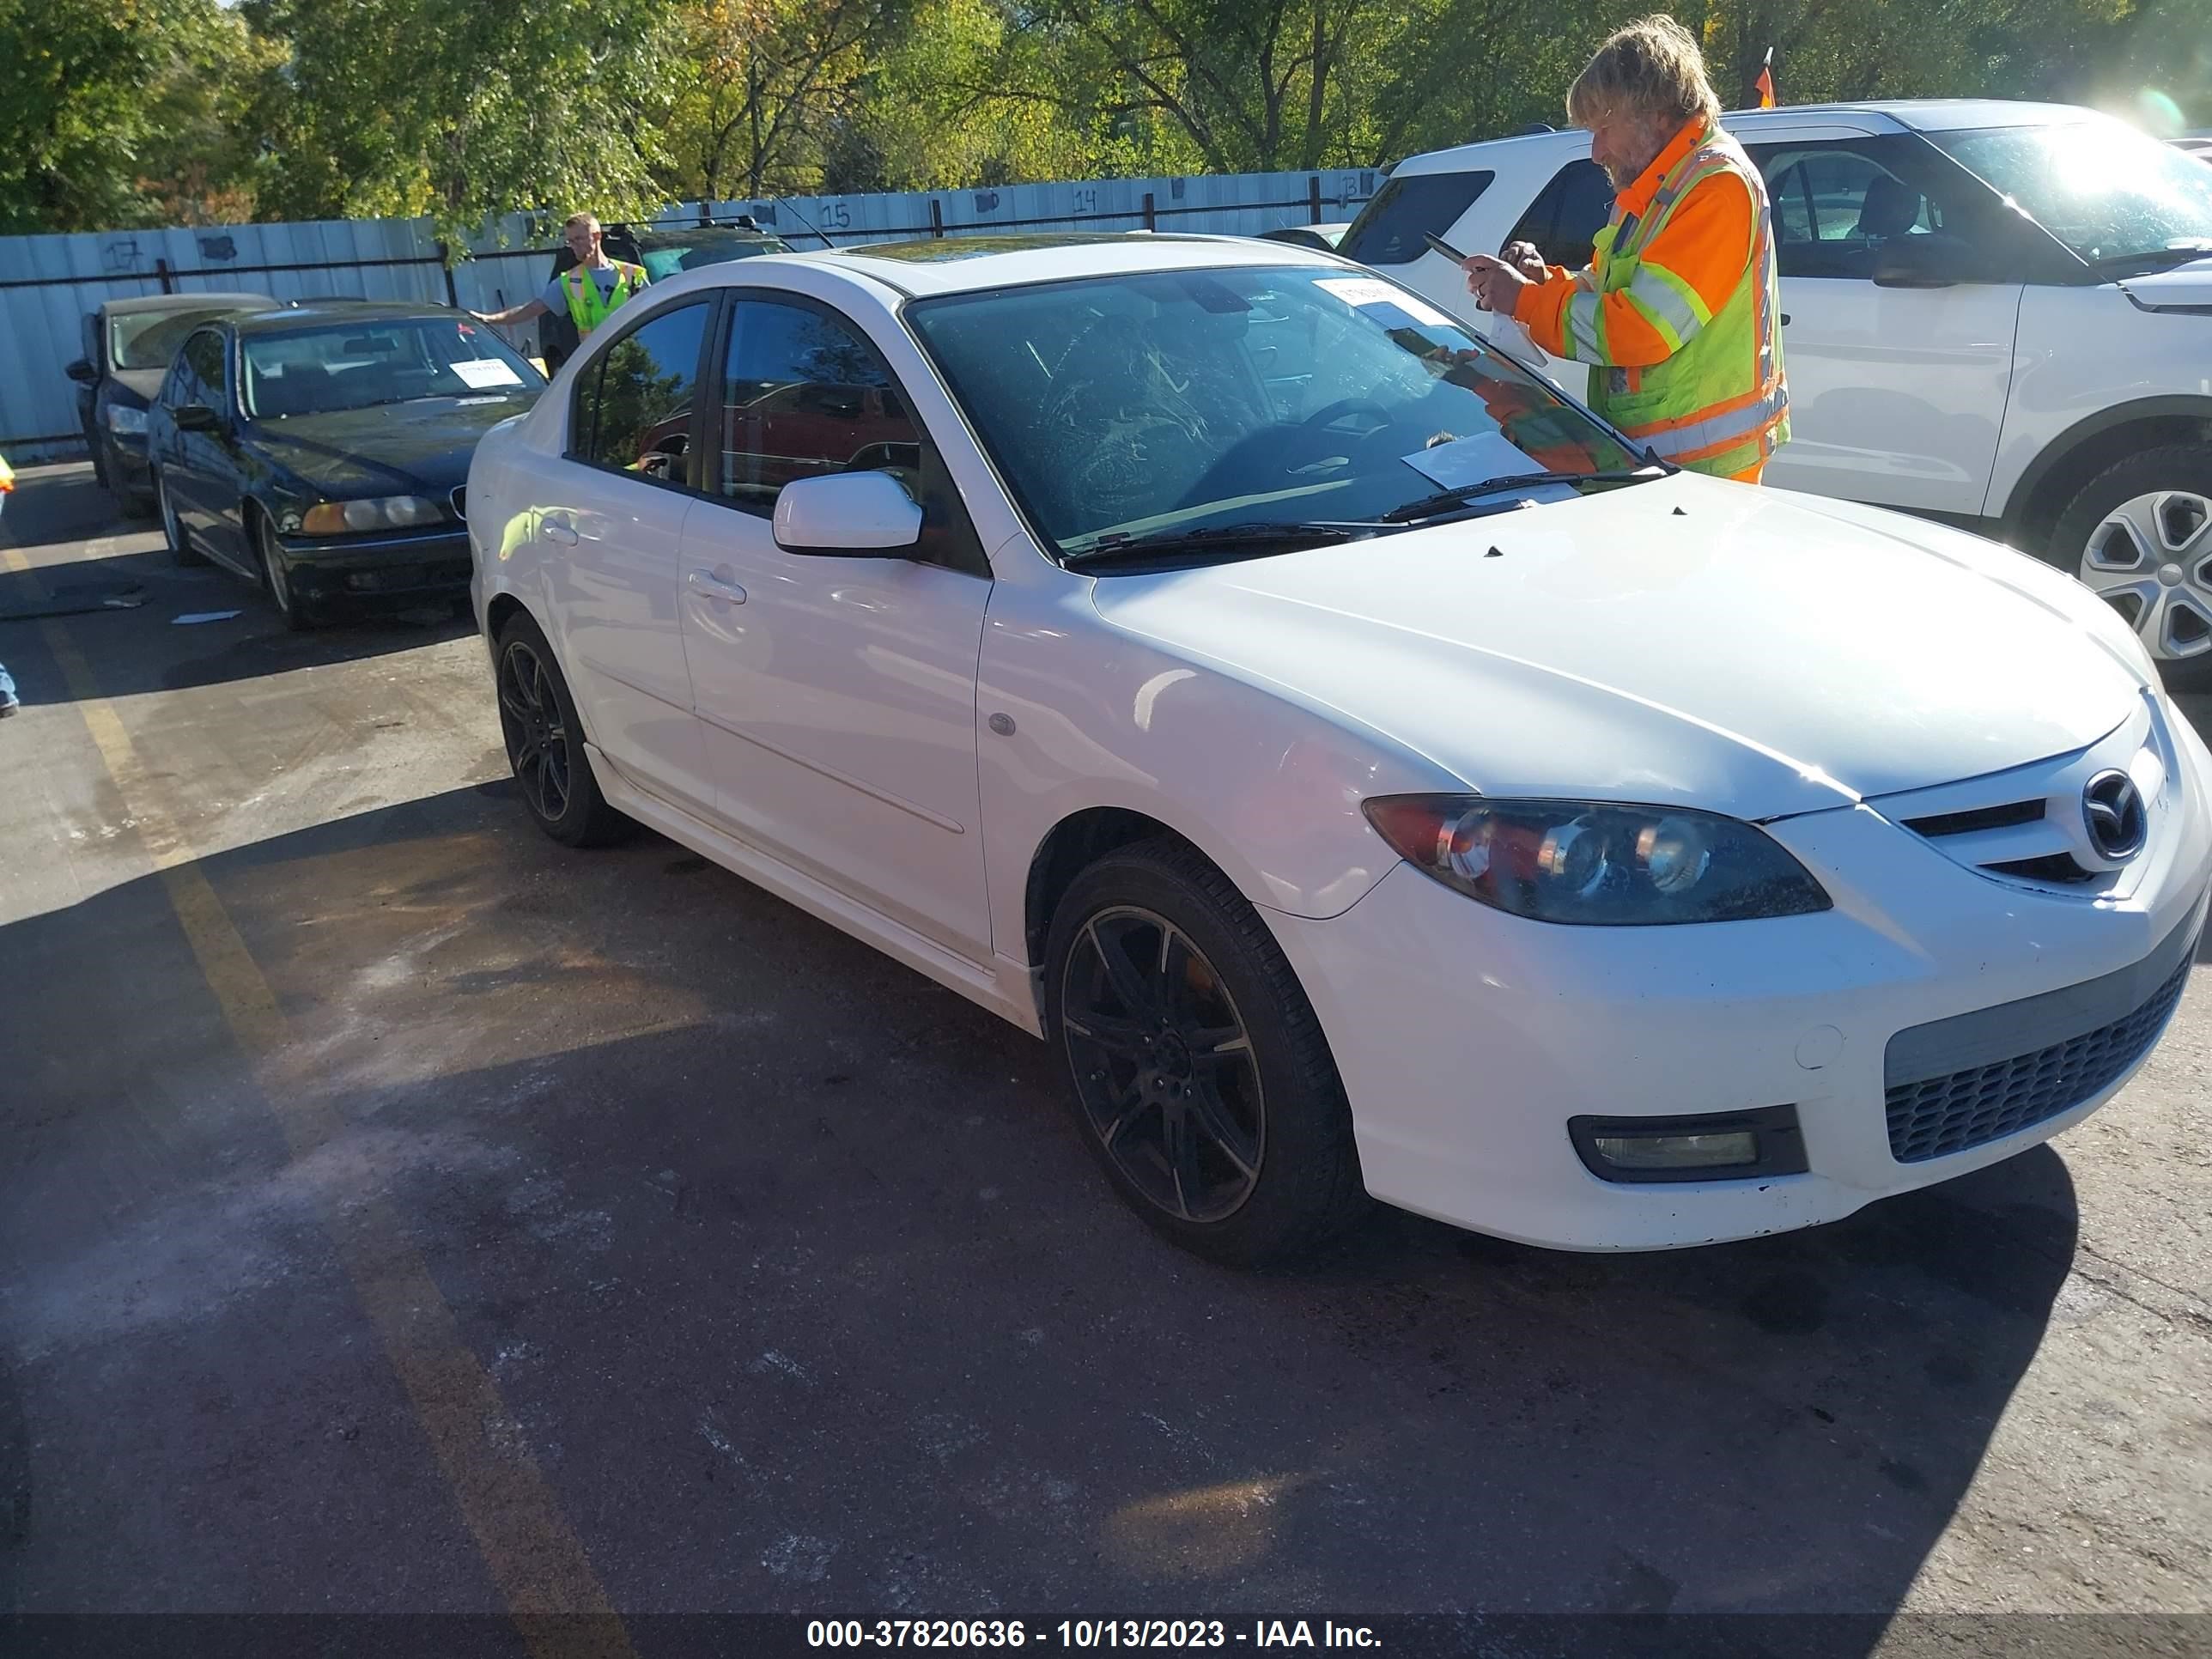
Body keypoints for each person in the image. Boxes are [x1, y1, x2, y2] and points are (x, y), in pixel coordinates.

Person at [1462, 15, 1788, 483]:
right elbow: (1605, 290)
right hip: (1659, 458)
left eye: (1603, 129)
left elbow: (1643, 328)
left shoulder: (1715, 187)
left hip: (1704, 469)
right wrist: (1542, 282)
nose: (1596, 152)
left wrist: (1526, 301)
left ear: (1654, 114)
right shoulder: (1657, 187)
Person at [472, 212, 647, 344]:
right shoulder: (570, 281)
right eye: (570, 241)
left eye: (579, 238)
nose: (574, 246)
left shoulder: (633, 275)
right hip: (597, 366)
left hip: (634, 364)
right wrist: (489, 319)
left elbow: (659, 310)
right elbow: (531, 309)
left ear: (597, 236)